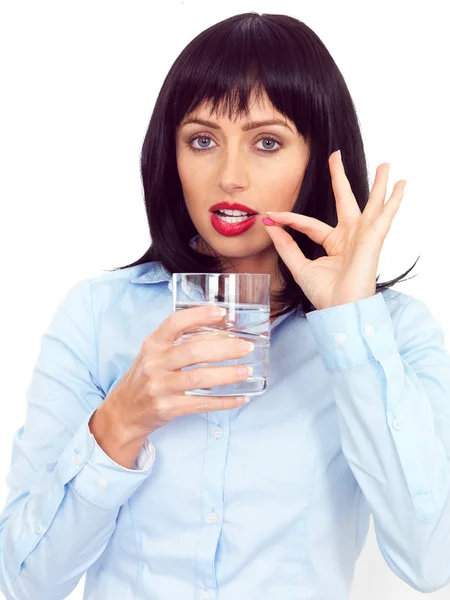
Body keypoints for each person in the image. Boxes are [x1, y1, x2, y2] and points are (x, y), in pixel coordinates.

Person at [1, 11, 450, 600]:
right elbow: (24, 581)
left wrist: (350, 323)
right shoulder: (97, 316)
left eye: (267, 142)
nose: (229, 176)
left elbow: (431, 561)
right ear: (172, 154)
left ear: (316, 158)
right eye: (203, 140)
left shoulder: (393, 330)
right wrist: (122, 421)